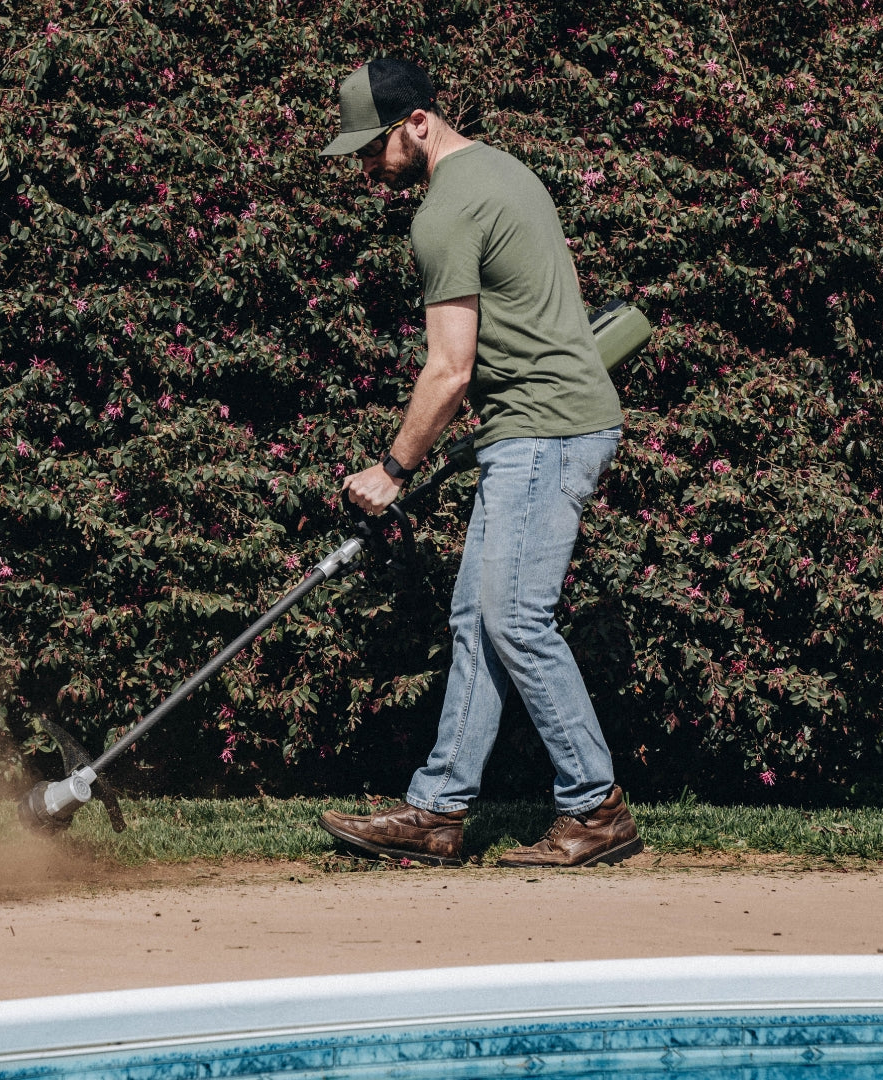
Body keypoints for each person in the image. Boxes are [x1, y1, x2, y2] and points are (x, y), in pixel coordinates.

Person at [316, 59, 641, 869]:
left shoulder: (442, 212)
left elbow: (448, 369)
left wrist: (392, 469)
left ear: (416, 121)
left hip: (545, 431)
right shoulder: (509, 172)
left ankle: (594, 807)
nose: (365, 168)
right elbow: (546, 305)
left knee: (517, 620)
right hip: (540, 426)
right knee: (479, 623)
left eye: (372, 148)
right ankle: (438, 809)